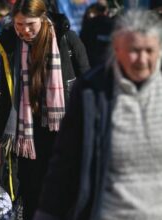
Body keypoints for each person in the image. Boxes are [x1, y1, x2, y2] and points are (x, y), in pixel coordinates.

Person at [0, 0, 89, 218]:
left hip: (64, 132)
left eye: (30, 24)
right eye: (19, 25)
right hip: (27, 136)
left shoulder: (67, 39)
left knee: (64, 193)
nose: (24, 31)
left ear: (43, 18)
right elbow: (7, 98)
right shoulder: (10, 46)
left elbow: (88, 83)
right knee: (31, 193)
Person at [34, 9, 162, 220]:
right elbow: (65, 163)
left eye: (149, 50)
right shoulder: (92, 91)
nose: (141, 59)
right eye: (134, 50)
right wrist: (47, 214)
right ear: (116, 49)